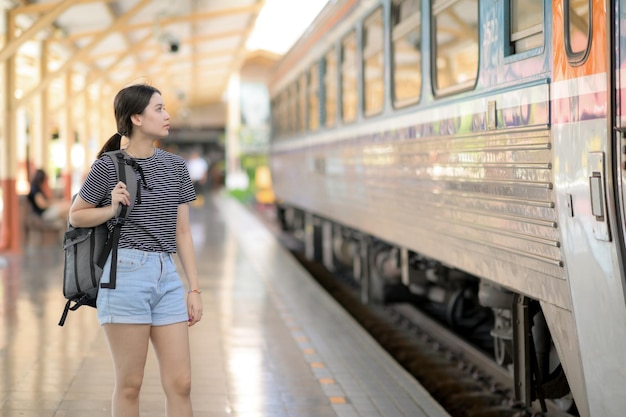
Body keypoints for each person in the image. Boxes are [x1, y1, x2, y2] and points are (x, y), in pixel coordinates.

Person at [69, 84, 203, 417]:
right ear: (137, 118)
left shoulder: (175, 166)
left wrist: (194, 288)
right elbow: (77, 215)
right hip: (125, 275)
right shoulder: (108, 166)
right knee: (130, 385)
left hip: (167, 276)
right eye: (159, 109)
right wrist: (111, 210)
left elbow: (182, 231)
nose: (167, 115)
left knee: (181, 382)